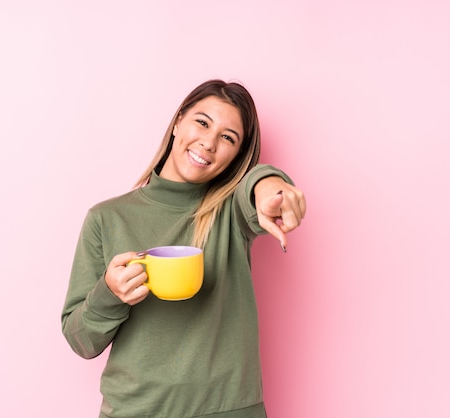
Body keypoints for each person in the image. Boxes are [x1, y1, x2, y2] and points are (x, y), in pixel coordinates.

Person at [61, 79, 306, 417]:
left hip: (230, 409)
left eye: (228, 138)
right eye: (202, 122)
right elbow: (81, 340)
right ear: (178, 122)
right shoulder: (107, 218)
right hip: (136, 411)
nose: (208, 143)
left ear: (237, 156)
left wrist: (269, 185)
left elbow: (257, 185)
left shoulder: (231, 210)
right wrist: (110, 293)